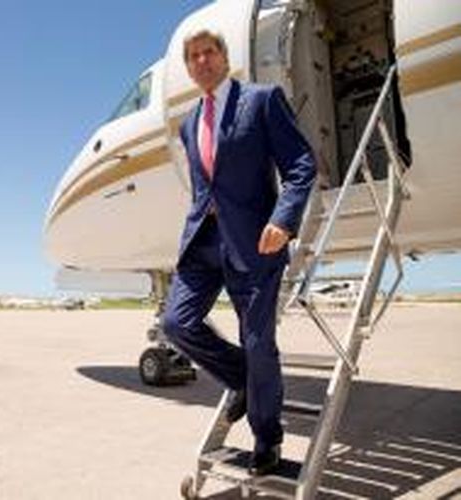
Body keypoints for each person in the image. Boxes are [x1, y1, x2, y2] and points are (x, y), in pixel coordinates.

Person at [162, 28, 316, 476]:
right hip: (203, 243)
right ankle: (244, 381)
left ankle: (267, 438)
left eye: (209, 52)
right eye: (193, 56)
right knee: (177, 323)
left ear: (225, 58)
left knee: (258, 343)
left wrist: (283, 220)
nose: (201, 61)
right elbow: (203, 188)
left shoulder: (261, 100)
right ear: (189, 68)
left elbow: (302, 164)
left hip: (255, 241)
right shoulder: (190, 123)